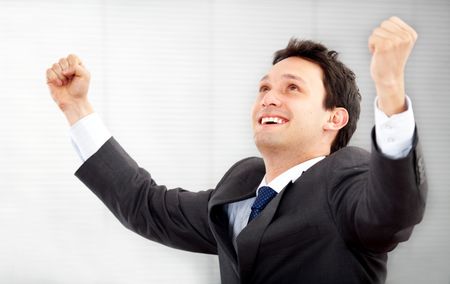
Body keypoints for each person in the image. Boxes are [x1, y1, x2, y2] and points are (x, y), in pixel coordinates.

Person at [46, 16, 427, 283]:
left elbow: (394, 209)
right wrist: (75, 107)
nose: (269, 98)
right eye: (264, 88)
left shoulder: (345, 177)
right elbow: (144, 206)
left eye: (292, 88)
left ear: (334, 119)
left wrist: (391, 91)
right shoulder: (242, 185)